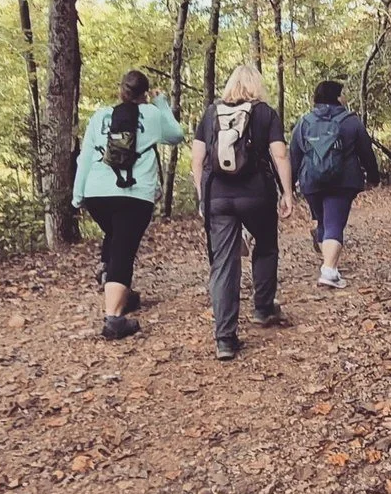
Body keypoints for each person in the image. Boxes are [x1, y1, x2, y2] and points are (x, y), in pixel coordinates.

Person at [72, 69, 186, 340]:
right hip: (134, 194)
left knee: (115, 234)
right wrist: (161, 103)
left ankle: (116, 283)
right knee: (123, 247)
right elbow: (176, 135)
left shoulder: (100, 115)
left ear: (120, 90)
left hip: (97, 193)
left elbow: (85, 156)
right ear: (144, 93)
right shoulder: (154, 115)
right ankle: (113, 318)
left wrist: (78, 195)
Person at [191, 64, 294, 362]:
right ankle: (262, 308)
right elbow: (280, 154)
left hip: (218, 197)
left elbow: (197, 160)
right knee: (265, 246)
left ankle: (225, 339)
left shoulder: (212, 113)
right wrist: (287, 193)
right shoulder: (265, 113)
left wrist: (203, 196)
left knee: (223, 263)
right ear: (256, 86)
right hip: (257, 195)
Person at [290, 79, 380, 289]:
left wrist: (287, 186)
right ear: (337, 97)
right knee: (334, 224)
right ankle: (329, 271)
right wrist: (374, 177)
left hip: (311, 182)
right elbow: (366, 151)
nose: (346, 96)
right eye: (343, 93)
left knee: (323, 223)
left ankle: (329, 264)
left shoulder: (304, 122)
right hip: (343, 181)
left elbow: (294, 155)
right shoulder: (351, 121)